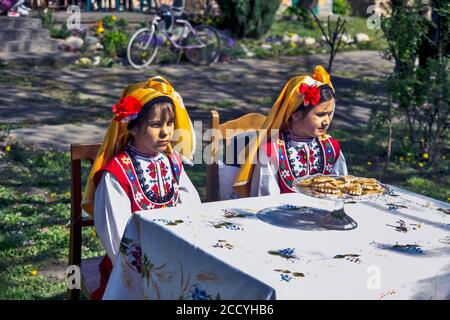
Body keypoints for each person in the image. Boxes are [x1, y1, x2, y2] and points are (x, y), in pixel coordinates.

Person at [81, 76, 200, 299]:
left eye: (170, 123)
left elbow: (192, 206)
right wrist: (154, 269)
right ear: (133, 128)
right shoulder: (117, 173)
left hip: (175, 253)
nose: (166, 132)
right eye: (156, 125)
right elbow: (116, 237)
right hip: (133, 265)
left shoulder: (171, 161)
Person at [232, 65, 348, 197]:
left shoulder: (331, 148)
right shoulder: (272, 151)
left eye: (330, 114)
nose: (327, 121)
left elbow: (343, 191)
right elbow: (265, 199)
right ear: (295, 114)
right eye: (321, 115)